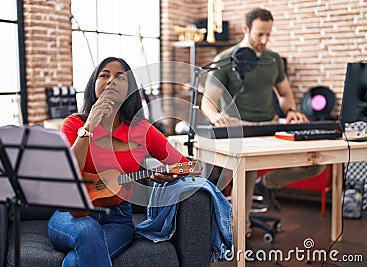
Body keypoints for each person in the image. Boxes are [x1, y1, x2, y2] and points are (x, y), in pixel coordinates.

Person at [47, 57, 189, 266]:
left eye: (120, 77)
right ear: (93, 84)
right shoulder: (73, 124)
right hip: (69, 214)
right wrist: (89, 126)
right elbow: (69, 172)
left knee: (76, 261)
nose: (111, 81)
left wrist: (170, 176)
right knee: (87, 229)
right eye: (104, 75)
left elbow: (186, 164)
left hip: (118, 218)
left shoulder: (142, 130)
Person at [201, 8, 325, 235]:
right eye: (260, 34)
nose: (265, 40)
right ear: (246, 29)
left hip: (271, 126)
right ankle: (240, 233)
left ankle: (266, 183)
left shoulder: (274, 59)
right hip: (242, 130)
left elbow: (285, 94)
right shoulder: (225, 60)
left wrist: (291, 111)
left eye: (269, 34)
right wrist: (216, 115)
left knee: (317, 163)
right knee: (246, 173)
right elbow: (207, 102)